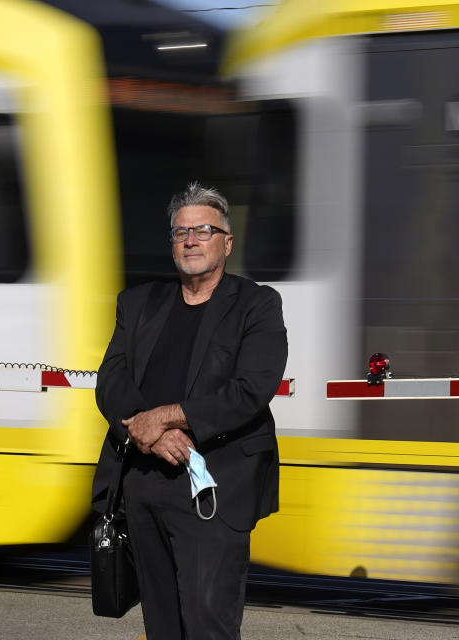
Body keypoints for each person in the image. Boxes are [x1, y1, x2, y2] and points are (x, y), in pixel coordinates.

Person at [92, 182, 288, 639]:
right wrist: (149, 432)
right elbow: (112, 382)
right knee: (161, 627)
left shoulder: (257, 305)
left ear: (227, 242)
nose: (191, 240)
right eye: (181, 232)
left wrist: (165, 416)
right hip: (142, 486)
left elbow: (250, 390)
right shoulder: (138, 303)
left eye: (203, 230)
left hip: (212, 491)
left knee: (207, 625)